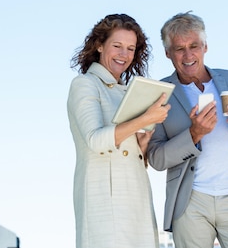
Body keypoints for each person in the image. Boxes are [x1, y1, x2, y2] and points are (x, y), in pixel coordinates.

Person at [147, 11, 228, 248]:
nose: (188, 55)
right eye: (179, 48)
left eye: (194, 45)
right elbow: (156, 158)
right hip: (190, 202)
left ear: (205, 46)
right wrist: (193, 135)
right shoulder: (160, 94)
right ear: (167, 53)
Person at [67, 13, 171, 248]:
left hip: (135, 194)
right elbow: (95, 140)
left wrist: (142, 145)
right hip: (105, 197)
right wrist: (145, 118)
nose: (124, 54)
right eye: (117, 46)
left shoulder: (128, 91)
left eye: (131, 48)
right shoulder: (85, 84)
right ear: (100, 46)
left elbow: (128, 149)